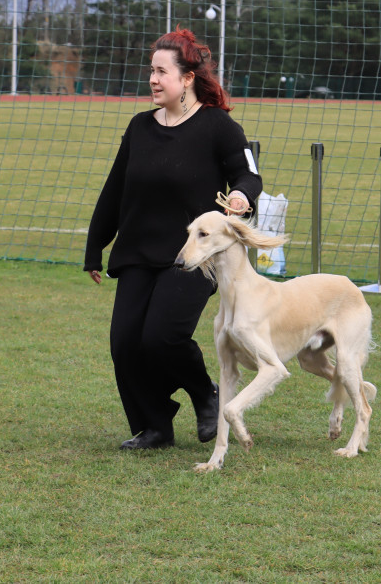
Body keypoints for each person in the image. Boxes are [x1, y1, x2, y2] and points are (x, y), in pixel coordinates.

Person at [84, 28, 262, 450]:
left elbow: (248, 173)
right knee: (125, 343)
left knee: (161, 335)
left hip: (195, 255)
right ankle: (154, 426)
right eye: (151, 71)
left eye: (162, 72)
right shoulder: (140, 127)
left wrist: (240, 195)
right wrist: (96, 245)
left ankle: (206, 394)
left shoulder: (218, 125)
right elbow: (115, 190)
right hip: (138, 252)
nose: (153, 79)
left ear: (186, 79)